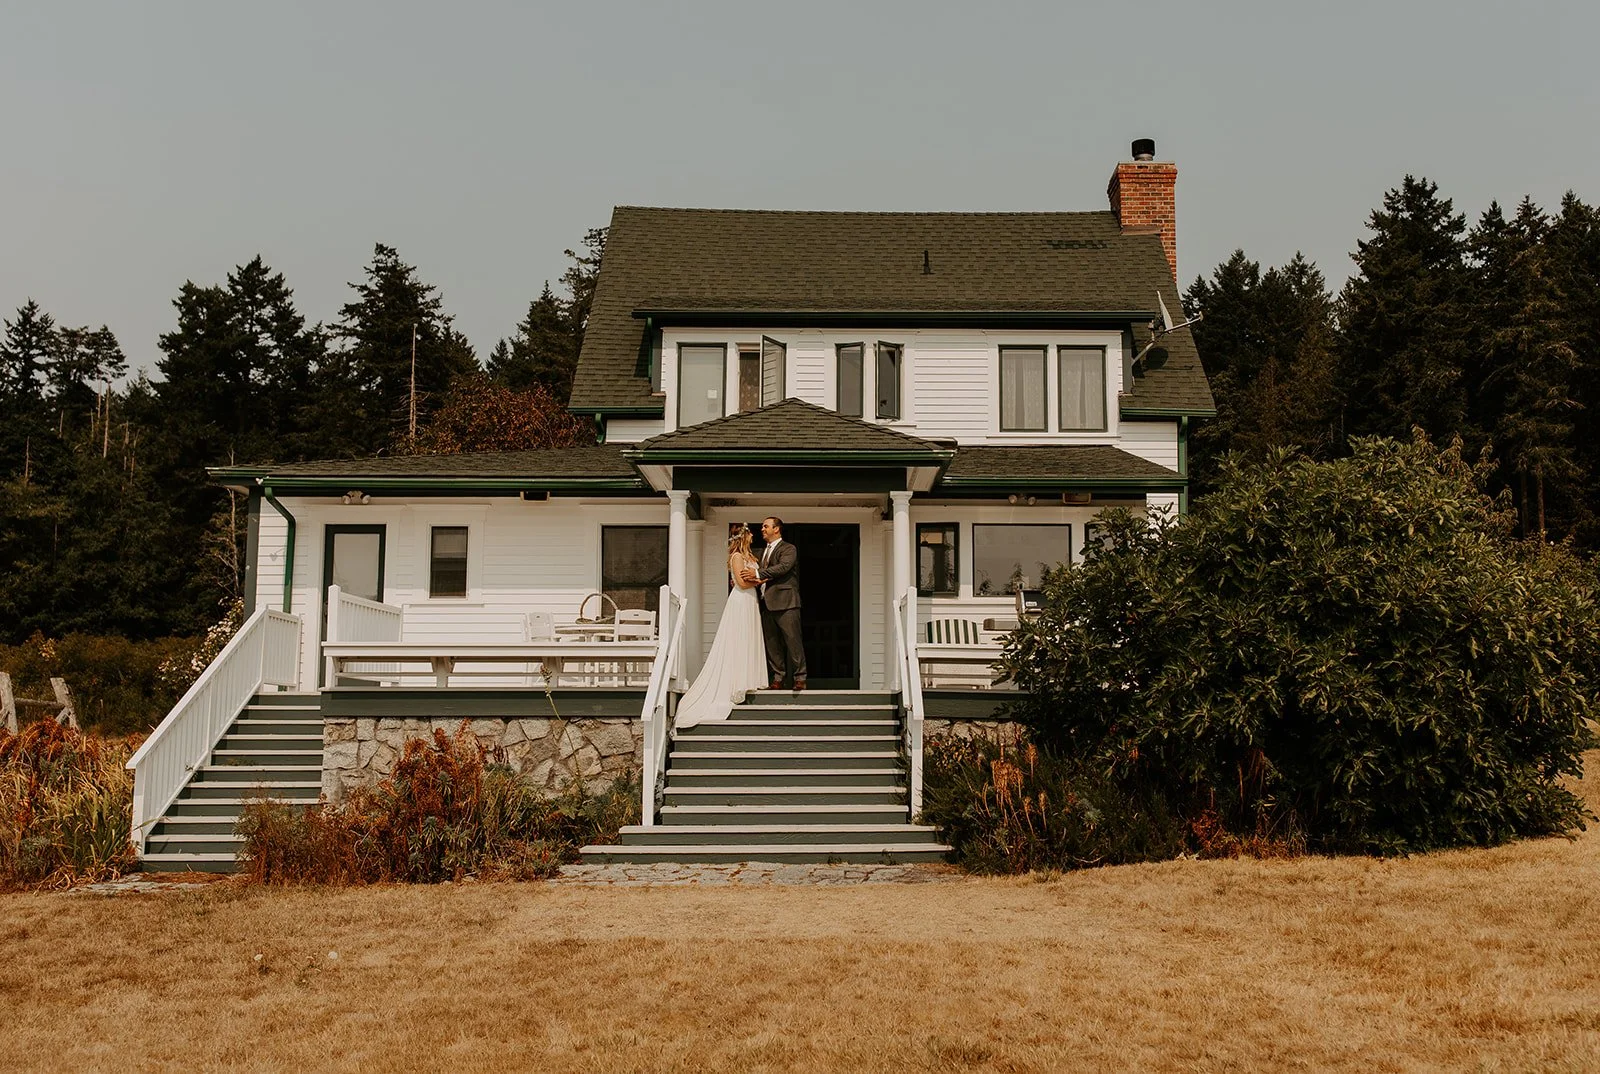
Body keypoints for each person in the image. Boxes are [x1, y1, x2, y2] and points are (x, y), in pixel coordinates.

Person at [673, 524, 769, 730]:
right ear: (743, 536)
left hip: (751, 601)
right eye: (750, 532)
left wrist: (758, 578)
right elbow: (742, 584)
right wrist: (762, 579)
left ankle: (748, 678)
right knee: (738, 639)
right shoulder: (736, 557)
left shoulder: (751, 558)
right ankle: (735, 682)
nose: (753, 535)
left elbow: (749, 579)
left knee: (748, 639)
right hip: (741, 600)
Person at [740, 516, 806, 691]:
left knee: (793, 640)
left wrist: (757, 573)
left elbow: (783, 567)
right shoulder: (762, 553)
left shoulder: (788, 549)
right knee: (772, 643)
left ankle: (800, 677)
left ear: (776, 529)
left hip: (786, 602)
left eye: (765, 526)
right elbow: (762, 575)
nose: (762, 529)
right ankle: (778, 678)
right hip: (766, 603)